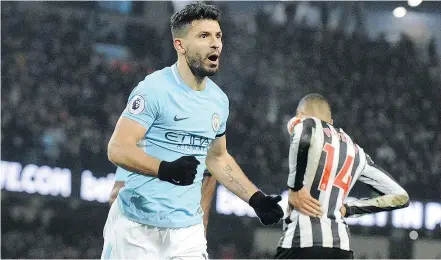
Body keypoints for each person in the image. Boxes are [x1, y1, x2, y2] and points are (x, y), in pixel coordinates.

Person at [101, 3, 284, 260]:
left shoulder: (218, 101)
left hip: (186, 233)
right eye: (204, 36)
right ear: (180, 45)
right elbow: (118, 148)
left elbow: (217, 158)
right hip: (137, 228)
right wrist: (165, 169)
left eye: (218, 36)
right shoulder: (154, 89)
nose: (215, 44)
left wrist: (255, 198)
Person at [275, 93, 409, 259]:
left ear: (299, 114)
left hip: (301, 243)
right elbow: (401, 197)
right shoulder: (357, 151)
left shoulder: (306, 124)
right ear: (331, 121)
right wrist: (350, 209)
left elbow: (303, 135)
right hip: (341, 248)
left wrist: (295, 187)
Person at [108, 167, 217, 237]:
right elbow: (114, 196)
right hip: (140, 233)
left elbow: (204, 212)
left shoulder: (201, 147)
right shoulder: (141, 145)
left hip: (180, 235)